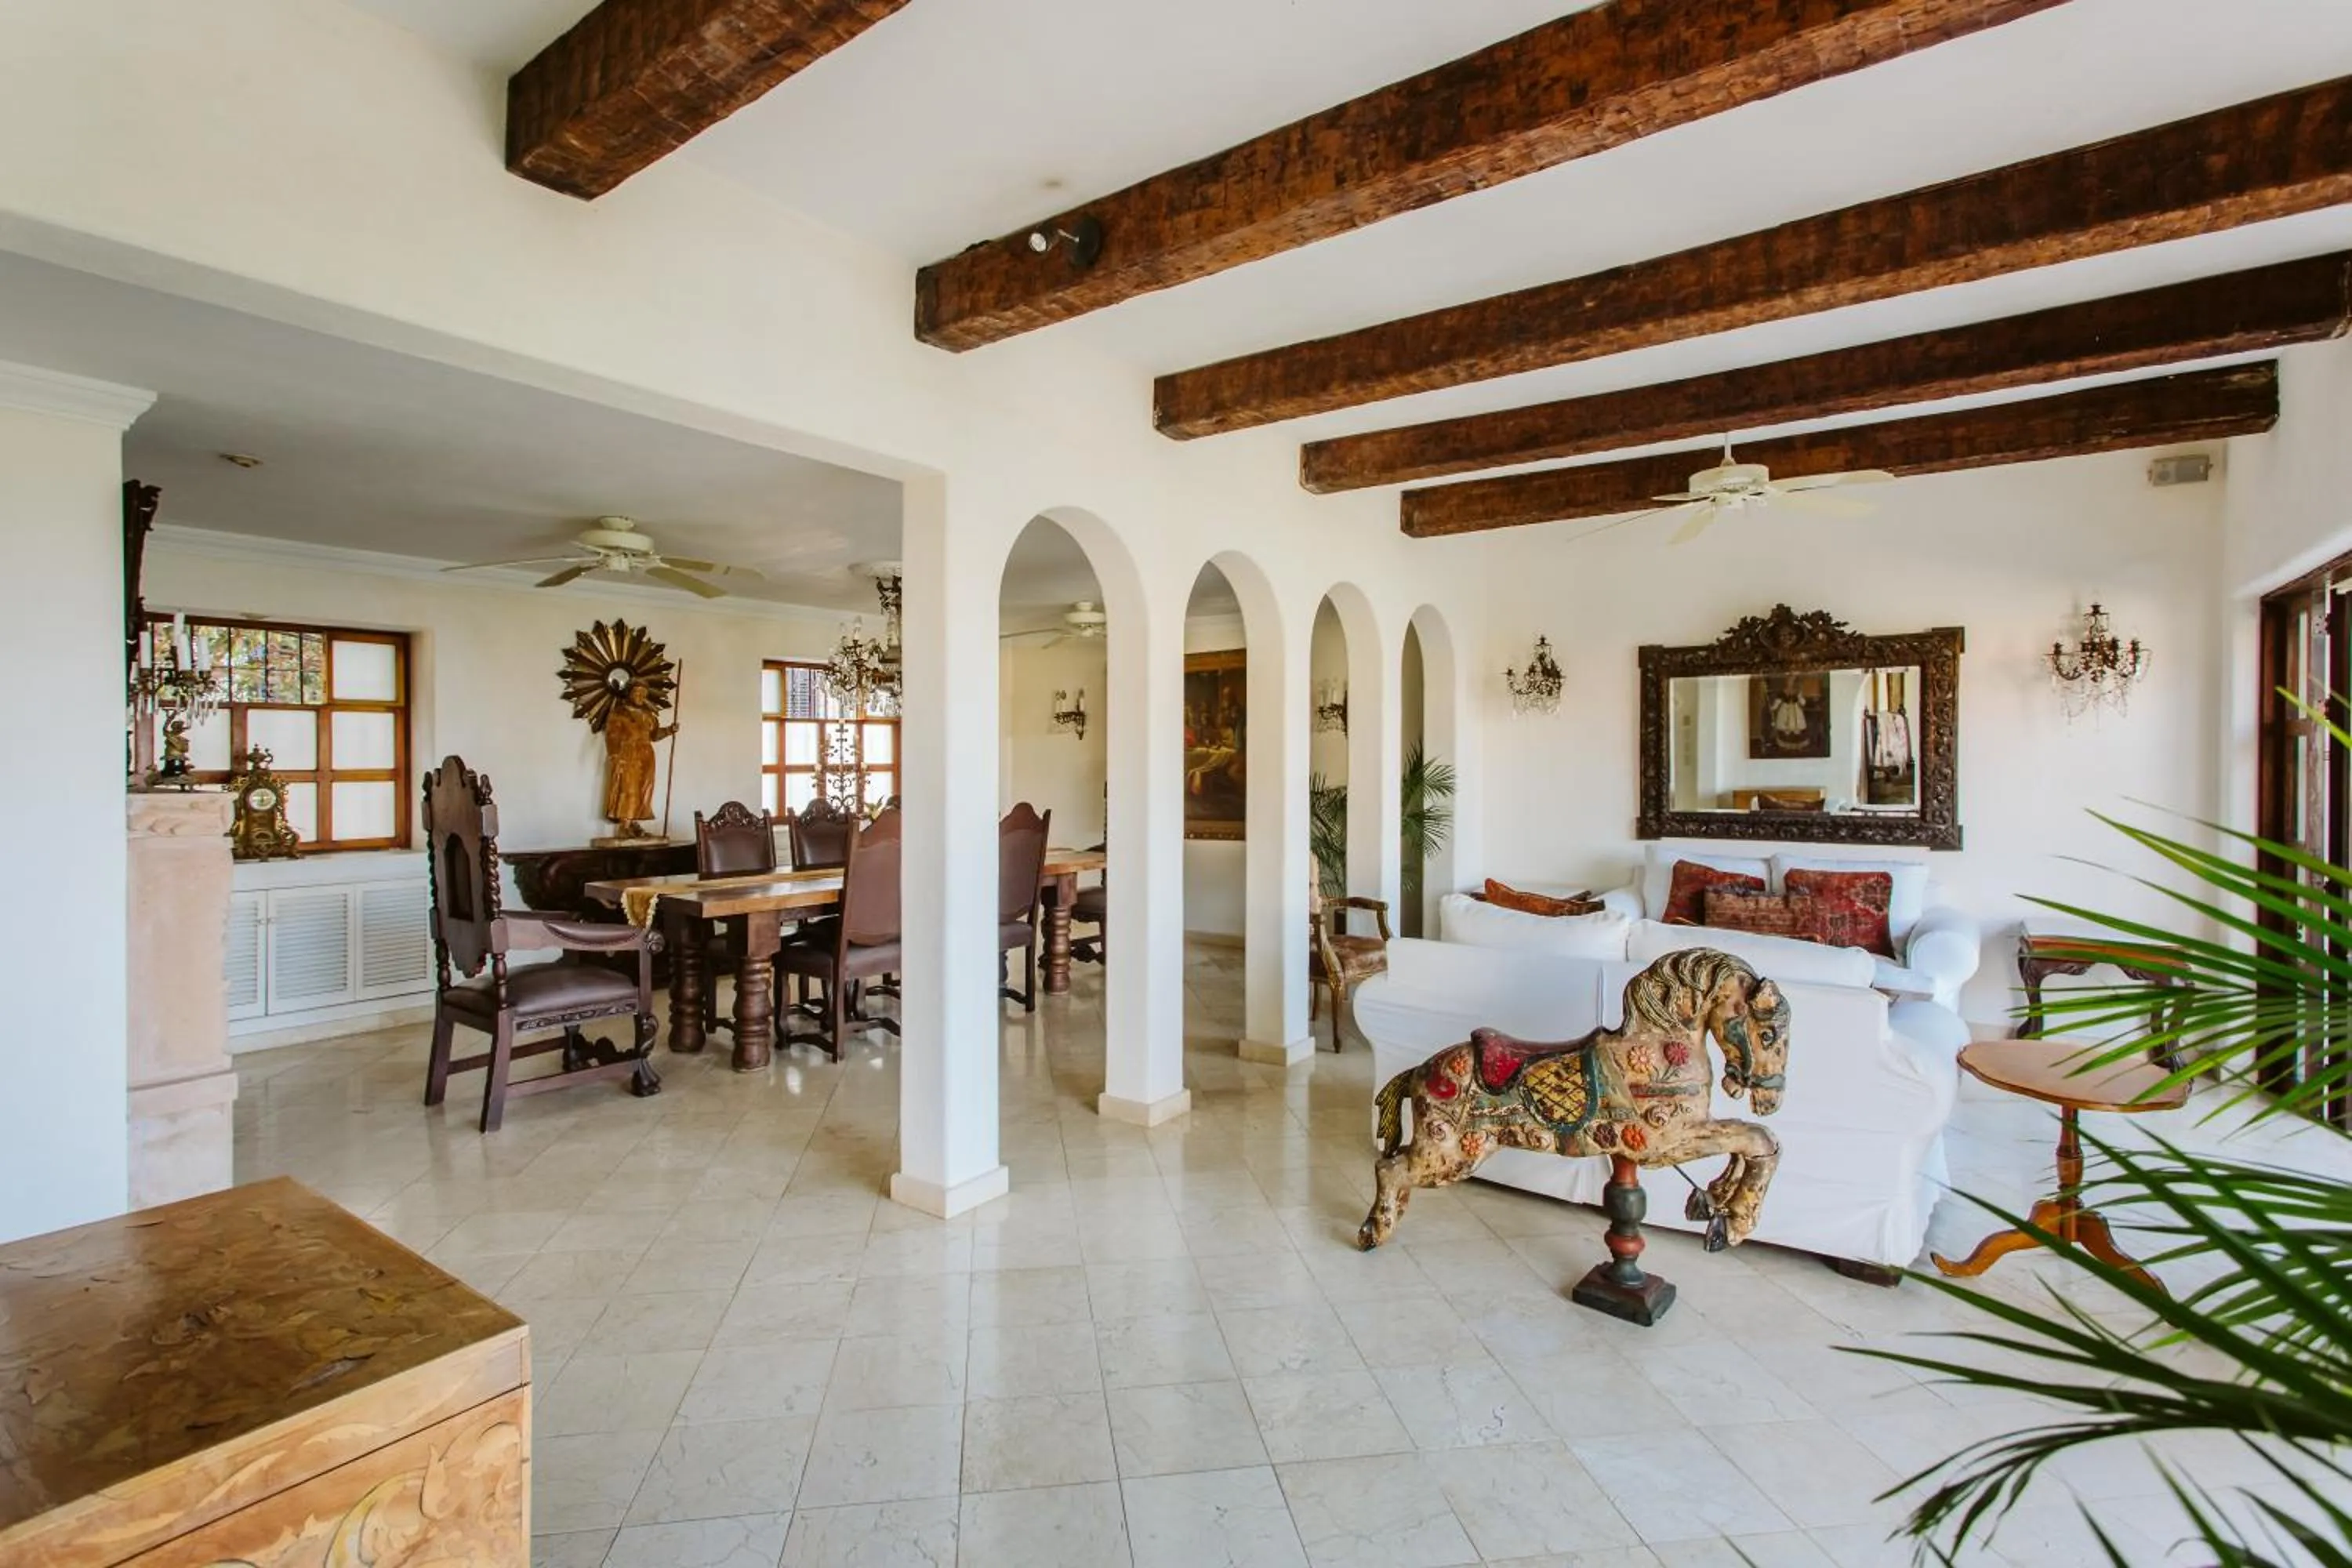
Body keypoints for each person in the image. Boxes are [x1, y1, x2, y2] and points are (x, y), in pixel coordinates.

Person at [602, 681, 676, 835]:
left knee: (645, 789)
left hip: (646, 754)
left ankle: (634, 823)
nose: (640, 696)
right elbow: (612, 735)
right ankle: (625, 826)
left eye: (643, 693)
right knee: (628, 788)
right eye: (637, 692)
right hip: (628, 753)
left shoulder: (649, 715)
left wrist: (669, 730)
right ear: (629, 694)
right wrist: (615, 755)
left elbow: (654, 735)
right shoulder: (619, 714)